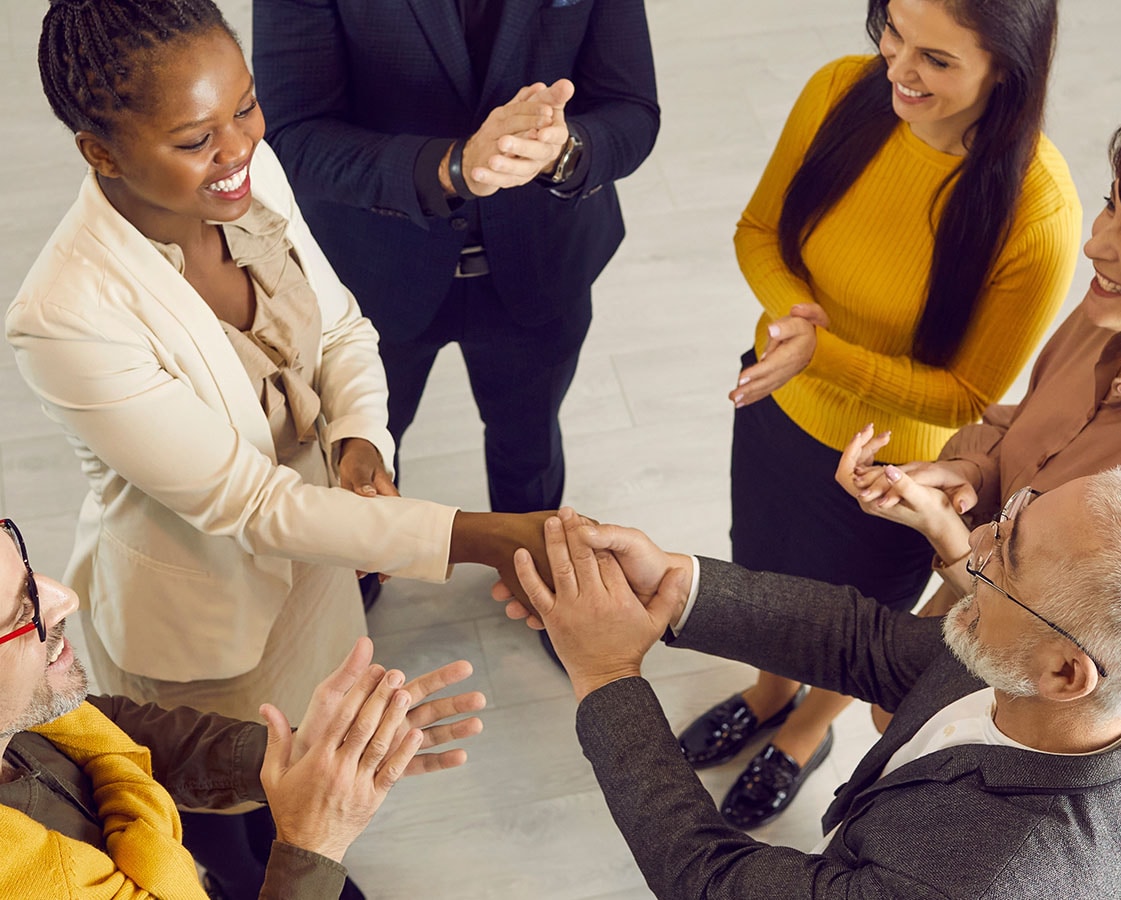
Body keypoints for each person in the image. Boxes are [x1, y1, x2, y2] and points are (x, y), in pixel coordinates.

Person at [16, 2, 545, 895]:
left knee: (304, 773)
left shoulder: (251, 172)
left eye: (246, 109)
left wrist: (360, 439)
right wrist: (487, 537)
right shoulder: (65, 315)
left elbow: (339, 326)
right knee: (224, 812)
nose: (237, 151)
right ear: (100, 152)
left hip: (324, 561)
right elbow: (249, 507)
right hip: (206, 617)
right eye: (196, 139)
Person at [681, 0, 1081, 828]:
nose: (898, 69)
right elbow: (760, 231)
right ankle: (764, 693)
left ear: (1005, 68)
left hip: (893, 472)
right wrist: (797, 321)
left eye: (936, 58)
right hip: (776, 402)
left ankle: (804, 735)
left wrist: (820, 353)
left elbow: (968, 394)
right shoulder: (838, 92)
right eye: (892, 32)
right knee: (758, 570)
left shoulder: (1035, 209)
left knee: (851, 623)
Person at [507, 471, 1121, 898]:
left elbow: (707, 880)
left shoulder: (974, 884)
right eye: (1015, 513)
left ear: (1063, 674)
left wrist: (607, 675)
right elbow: (871, 646)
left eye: (1004, 558)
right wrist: (676, 583)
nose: (974, 541)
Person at [251, 0, 659, 525]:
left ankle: (529, 576)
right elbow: (293, 135)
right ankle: (364, 574)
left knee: (530, 448)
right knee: (362, 454)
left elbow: (631, 107)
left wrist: (564, 152)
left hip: (543, 262)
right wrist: (452, 167)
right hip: (371, 277)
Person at [0, 515, 485, 900]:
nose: (65, 598)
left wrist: (294, 755)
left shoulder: (24, 712)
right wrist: (311, 850)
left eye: (27, 567)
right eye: (24, 612)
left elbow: (115, 728)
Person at [838, 108, 1121, 620]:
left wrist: (945, 530)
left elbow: (1065, 640)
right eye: (1109, 206)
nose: (1094, 245)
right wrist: (969, 475)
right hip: (967, 589)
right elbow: (1023, 437)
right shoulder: (1105, 316)